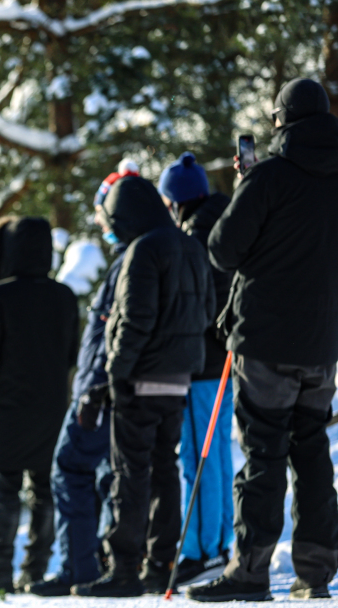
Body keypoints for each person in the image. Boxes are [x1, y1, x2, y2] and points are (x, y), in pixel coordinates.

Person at [188, 78, 338, 602]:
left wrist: (247, 188)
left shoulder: (269, 177)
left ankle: (250, 571)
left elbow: (222, 250)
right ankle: (316, 573)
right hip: (323, 343)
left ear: (282, 121)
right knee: (312, 449)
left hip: (266, 340)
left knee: (263, 451)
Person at [73, 176, 214, 598]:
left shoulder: (143, 250)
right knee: (165, 470)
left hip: (139, 379)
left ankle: (124, 570)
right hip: (178, 379)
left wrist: (113, 376)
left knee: (130, 474)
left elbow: (134, 319)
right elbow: (208, 309)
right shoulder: (191, 246)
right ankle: (160, 564)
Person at [30, 162, 140, 597]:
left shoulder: (129, 261)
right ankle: (103, 561)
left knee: (69, 467)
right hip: (107, 385)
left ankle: (79, 567)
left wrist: (95, 385)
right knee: (108, 474)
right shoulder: (129, 258)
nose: (99, 222)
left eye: (101, 213)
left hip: (100, 387)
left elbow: (116, 332)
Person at [0, 217, 79, 595]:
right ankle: (36, 570)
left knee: (4, 492)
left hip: (7, 411)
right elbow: (72, 355)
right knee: (45, 490)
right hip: (52, 409)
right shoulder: (64, 296)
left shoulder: (0, 296)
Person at [157, 152, 234, 586]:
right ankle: (218, 541)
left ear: (177, 201)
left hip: (203, 360)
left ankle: (202, 550)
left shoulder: (197, 237)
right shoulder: (224, 224)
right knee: (217, 450)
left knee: (198, 453)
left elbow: (202, 303)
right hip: (222, 360)